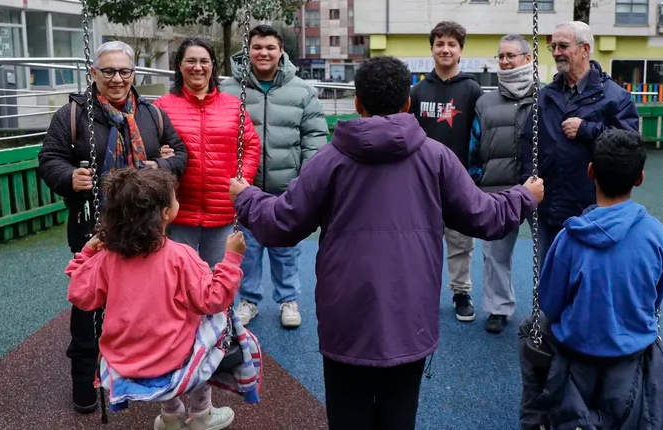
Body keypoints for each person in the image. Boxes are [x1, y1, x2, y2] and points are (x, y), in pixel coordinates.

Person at [229, 55, 544, 430]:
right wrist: (524, 196)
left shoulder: (330, 160)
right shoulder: (435, 157)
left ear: (357, 103)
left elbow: (282, 222)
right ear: (408, 103)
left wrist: (246, 196)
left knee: (348, 414)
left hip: (345, 314)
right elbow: (486, 216)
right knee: (399, 414)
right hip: (409, 314)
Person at [518, 129, 663, 430]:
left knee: (528, 329)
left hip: (578, 347)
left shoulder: (570, 239)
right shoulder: (655, 235)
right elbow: (655, 297)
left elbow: (551, 303)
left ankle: (536, 417)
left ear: (590, 171)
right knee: (648, 333)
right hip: (632, 347)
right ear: (640, 179)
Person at [37, 40, 188, 414]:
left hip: (146, 229)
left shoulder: (152, 116)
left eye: (124, 71)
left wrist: (163, 167)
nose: (117, 79)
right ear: (94, 73)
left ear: (134, 74)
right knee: (89, 303)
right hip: (94, 226)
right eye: (108, 71)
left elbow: (181, 153)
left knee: (143, 303)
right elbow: (48, 158)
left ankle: (142, 374)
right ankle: (85, 384)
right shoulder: (73, 115)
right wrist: (69, 176)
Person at [65, 168, 251, 430]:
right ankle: (201, 413)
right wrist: (231, 259)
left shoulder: (107, 258)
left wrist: (86, 252)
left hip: (125, 358)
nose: (178, 202)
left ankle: (172, 415)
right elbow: (214, 299)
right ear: (166, 213)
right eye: (175, 198)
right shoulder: (181, 256)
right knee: (212, 323)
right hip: (173, 356)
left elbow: (79, 292)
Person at [220, 24, 328, 329]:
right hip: (245, 187)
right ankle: (249, 300)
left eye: (270, 47)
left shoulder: (302, 91)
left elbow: (314, 138)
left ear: (281, 51)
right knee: (248, 249)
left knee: (286, 250)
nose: (263, 53)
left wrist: (304, 183)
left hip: (285, 188)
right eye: (257, 47)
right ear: (248, 51)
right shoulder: (230, 89)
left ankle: (288, 300)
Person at [519, 21, 639, 270]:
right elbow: (527, 140)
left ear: (585, 49)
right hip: (550, 204)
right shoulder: (545, 96)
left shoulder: (615, 97)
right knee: (549, 270)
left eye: (563, 46)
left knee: (589, 271)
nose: (556, 52)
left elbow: (630, 145)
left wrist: (587, 130)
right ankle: (546, 310)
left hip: (593, 207)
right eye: (553, 46)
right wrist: (529, 178)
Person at [154, 37, 261, 269]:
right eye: (190, 61)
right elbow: (149, 146)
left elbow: (251, 145)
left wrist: (243, 179)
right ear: (180, 66)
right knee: (181, 273)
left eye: (204, 61)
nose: (198, 67)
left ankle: (220, 308)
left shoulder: (233, 106)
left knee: (218, 274)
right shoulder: (163, 106)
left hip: (222, 207)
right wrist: (160, 156)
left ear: (213, 65)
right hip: (179, 207)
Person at [409, 21, 484, 323]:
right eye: (440, 43)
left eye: (452, 44)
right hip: (422, 184)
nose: (445, 49)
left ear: (461, 50)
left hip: (460, 182)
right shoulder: (416, 91)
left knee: (461, 243)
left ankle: (461, 293)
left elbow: (479, 136)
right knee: (420, 243)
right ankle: (421, 293)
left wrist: (475, 176)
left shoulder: (472, 89)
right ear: (432, 49)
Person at [468, 34, 535, 334]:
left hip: (538, 187)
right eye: (501, 56)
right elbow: (474, 143)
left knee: (547, 252)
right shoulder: (486, 102)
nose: (506, 62)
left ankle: (547, 309)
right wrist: (476, 179)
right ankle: (498, 308)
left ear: (528, 59)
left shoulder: (545, 98)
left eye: (512, 55)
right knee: (495, 254)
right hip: (497, 188)